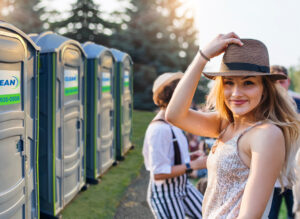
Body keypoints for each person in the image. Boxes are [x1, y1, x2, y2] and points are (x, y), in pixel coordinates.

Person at [165, 33, 300, 218]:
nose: (236, 93)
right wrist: (201, 57)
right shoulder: (226, 124)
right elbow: (174, 115)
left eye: (248, 83)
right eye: (229, 82)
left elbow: (249, 216)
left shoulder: (266, 134)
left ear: (264, 88)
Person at [142, 72, 207, 219]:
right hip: (166, 194)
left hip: (183, 187)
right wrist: (193, 165)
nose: (189, 100)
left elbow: (169, 157)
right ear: (173, 96)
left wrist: (190, 157)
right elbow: (158, 172)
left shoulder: (173, 122)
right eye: (186, 94)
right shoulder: (159, 129)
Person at [268, 65, 300, 219]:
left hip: (295, 168)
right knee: (271, 213)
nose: (279, 86)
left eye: (282, 81)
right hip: (272, 171)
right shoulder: (265, 106)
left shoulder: (298, 102)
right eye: (276, 82)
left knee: (294, 212)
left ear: (288, 81)